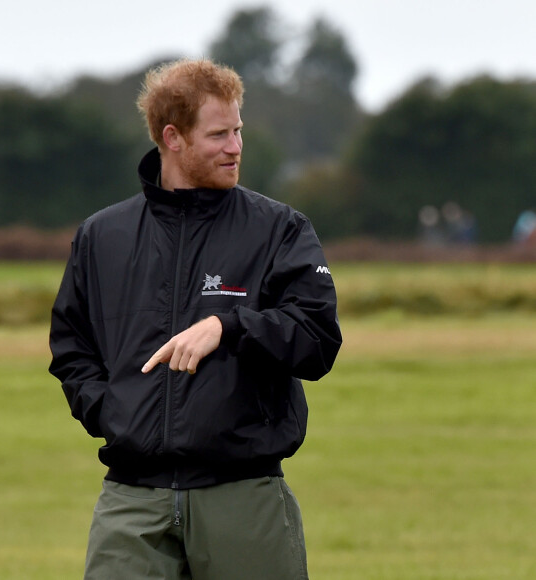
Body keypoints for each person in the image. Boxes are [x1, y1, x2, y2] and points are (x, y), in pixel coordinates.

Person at [49, 58, 342, 580]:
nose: (235, 147)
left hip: (244, 497)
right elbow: (72, 348)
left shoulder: (280, 229)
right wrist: (111, 412)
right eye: (219, 134)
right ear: (173, 137)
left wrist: (229, 326)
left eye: (238, 131)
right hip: (131, 501)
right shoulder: (102, 236)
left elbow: (318, 340)